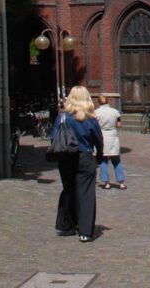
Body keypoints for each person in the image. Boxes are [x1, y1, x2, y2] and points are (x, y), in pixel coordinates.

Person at [54, 85, 105, 243]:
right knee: (86, 194)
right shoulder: (90, 119)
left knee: (69, 191)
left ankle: (69, 224)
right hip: (85, 157)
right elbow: (99, 140)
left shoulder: (62, 117)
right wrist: (99, 157)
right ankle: (85, 231)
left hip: (66, 158)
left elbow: (54, 137)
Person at [94, 93, 124, 190]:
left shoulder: (96, 113)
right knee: (116, 160)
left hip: (102, 136)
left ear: (98, 102)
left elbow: (94, 126)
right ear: (107, 101)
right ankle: (121, 182)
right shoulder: (115, 112)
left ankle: (106, 183)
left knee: (104, 160)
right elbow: (119, 125)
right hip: (112, 135)